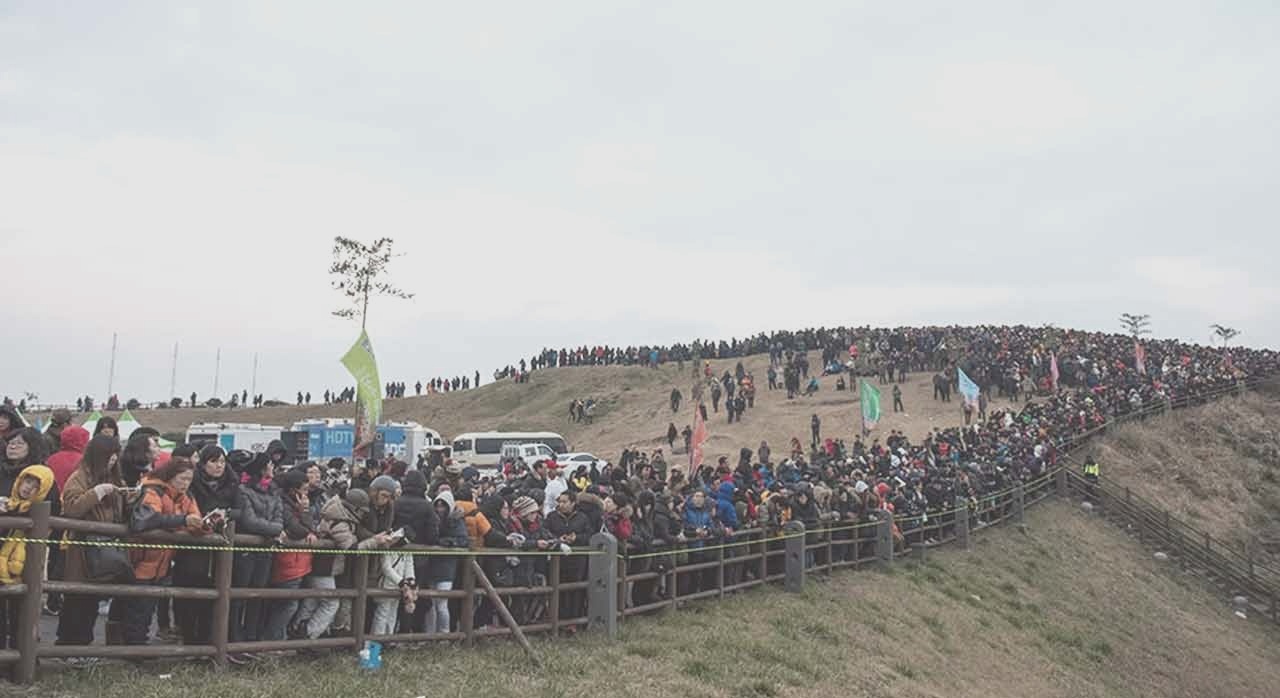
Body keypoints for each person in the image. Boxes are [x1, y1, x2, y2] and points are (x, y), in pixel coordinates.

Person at [122, 457, 208, 645]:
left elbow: (195, 519)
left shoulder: (187, 497)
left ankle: (137, 647)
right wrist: (182, 521)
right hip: (141, 559)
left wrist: (207, 525)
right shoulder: (153, 491)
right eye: (182, 479)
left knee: (147, 609)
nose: (186, 483)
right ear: (170, 476)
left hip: (163, 562)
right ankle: (133, 649)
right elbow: (147, 519)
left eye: (189, 479)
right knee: (138, 609)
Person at [57, 435, 127, 649]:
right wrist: (96, 493)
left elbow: (121, 513)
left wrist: (130, 498)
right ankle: (67, 644)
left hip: (106, 548)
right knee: (76, 598)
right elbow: (71, 508)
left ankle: (83, 644)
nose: (113, 460)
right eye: (109, 456)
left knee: (92, 599)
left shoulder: (116, 479)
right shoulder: (79, 477)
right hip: (81, 549)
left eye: (115, 456)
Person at [174, 445, 239, 645]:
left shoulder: (232, 483)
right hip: (193, 546)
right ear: (203, 463)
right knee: (190, 593)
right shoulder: (192, 483)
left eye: (222, 461)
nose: (219, 466)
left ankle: (208, 642)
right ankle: (189, 640)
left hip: (221, 549)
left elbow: (241, 510)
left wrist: (226, 514)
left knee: (215, 596)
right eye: (214, 461)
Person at [230, 452, 283, 649]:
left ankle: (251, 636)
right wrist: (274, 530)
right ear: (261, 468)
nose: (273, 468)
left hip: (265, 550)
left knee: (258, 593)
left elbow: (279, 517)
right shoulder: (243, 490)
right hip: (246, 549)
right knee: (239, 594)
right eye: (270, 465)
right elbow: (249, 521)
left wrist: (274, 528)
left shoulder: (274, 491)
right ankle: (233, 636)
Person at [0, 465, 55, 648]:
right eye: (27, 481)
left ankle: (21, 654)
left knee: (22, 612)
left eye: (36, 486)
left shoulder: (40, 511)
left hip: (25, 568)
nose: (28, 487)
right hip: (3, 566)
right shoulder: (7, 504)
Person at [425, 489, 470, 634]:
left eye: (443, 506)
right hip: (432, 565)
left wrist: (450, 542)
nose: (440, 509)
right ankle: (430, 634)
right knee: (430, 604)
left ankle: (444, 634)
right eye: (437, 505)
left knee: (442, 604)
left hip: (447, 567)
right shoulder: (432, 520)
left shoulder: (457, 521)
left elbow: (463, 540)